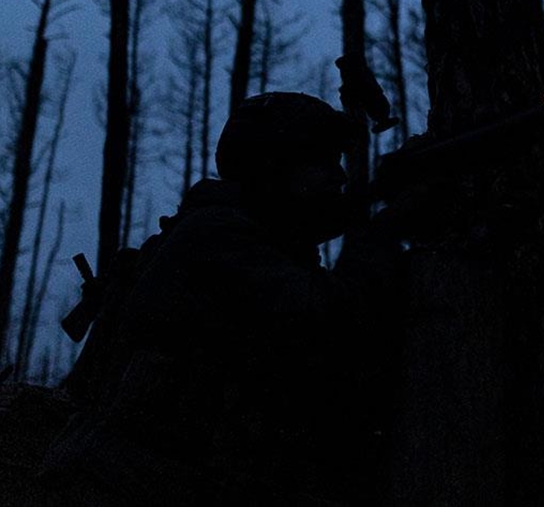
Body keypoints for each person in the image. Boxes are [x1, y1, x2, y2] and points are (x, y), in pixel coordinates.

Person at [43, 92, 404, 506]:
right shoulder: (216, 237)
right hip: (126, 486)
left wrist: (378, 202)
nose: (338, 177)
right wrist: (385, 231)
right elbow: (330, 321)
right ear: (276, 169)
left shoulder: (237, 234)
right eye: (322, 161)